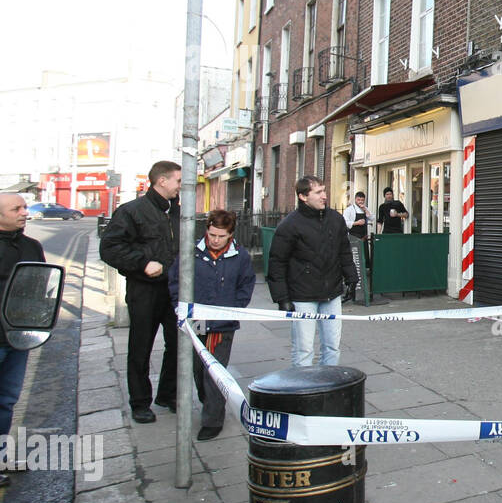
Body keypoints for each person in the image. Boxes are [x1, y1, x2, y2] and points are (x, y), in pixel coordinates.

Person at [100, 160, 182, 424]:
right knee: (141, 346)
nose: (181, 186)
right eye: (178, 181)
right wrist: (143, 263)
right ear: (162, 180)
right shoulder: (132, 211)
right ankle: (140, 403)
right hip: (144, 290)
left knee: (178, 344)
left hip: (174, 290)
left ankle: (168, 395)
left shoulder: (178, 212)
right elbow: (110, 248)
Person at [168, 209, 255, 441]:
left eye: (221, 236)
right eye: (212, 234)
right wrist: (179, 306)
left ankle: (213, 419)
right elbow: (175, 280)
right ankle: (209, 402)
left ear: (230, 235)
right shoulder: (192, 252)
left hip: (223, 325)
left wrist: (234, 308)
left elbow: (246, 285)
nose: (215, 240)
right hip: (197, 322)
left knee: (215, 372)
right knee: (198, 370)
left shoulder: (240, 256)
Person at [267, 176, 358, 367]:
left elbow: (344, 251)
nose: (324, 196)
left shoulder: (335, 219)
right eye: (318, 192)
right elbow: (277, 263)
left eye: (324, 191)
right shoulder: (289, 225)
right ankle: (302, 385)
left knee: (332, 347)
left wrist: (351, 278)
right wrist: (282, 298)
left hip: (332, 293)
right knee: (303, 350)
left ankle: (329, 382)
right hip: (303, 296)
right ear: (303, 196)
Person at [0, 193, 46, 485]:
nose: (24, 212)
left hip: (17, 338)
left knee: (6, 401)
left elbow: (42, 285)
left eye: (24, 207)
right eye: (16, 208)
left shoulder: (32, 246)